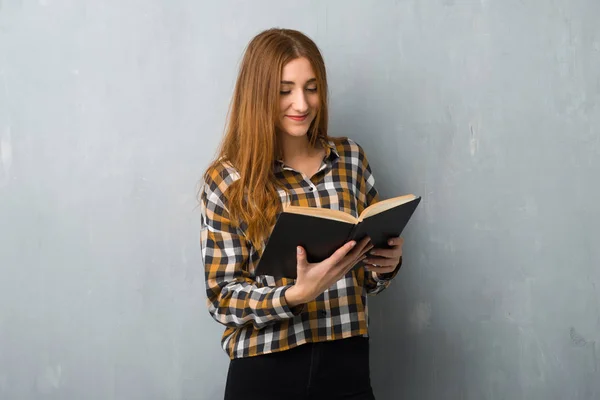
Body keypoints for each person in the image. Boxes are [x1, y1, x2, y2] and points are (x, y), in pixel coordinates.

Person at [199, 28, 405, 400]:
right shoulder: (227, 179)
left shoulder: (351, 159)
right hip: (266, 371)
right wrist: (294, 295)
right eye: (284, 90)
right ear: (259, 94)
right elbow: (223, 298)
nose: (302, 103)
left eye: (311, 88)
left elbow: (369, 279)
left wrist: (385, 265)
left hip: (348, 364)